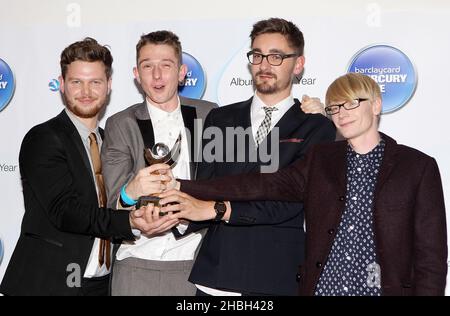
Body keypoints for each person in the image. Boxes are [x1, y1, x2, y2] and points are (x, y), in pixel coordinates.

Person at [161, 73, 448, 296]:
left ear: (375, 104)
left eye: (351, 103)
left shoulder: (417, 167)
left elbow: (431, 258)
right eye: (335, 107)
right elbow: (259, 184)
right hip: (322, 289)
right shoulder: (322, 159)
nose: (342, 113)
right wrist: (182, 185)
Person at [157, 18, 335, 296]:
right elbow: (205, 187)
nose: (264, 65)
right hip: (217, 274)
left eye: (276, 56)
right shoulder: (220, 118)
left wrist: (219, 209)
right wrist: (175, 212)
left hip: (276, 274)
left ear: (298, 64)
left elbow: (291, 202)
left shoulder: (317, 127)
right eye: (257, 55)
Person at [0, 38, 160, 296]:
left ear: (108, 86)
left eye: (95, 82)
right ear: (62, 85)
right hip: (48, 284)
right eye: (77, 82)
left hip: (101, 284)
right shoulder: (43, 138)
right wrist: (129, 220)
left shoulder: (110, 141)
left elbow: (112, 203)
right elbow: (66, 212)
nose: (86, 92)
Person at [101, 30, 218, 296]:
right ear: (136, 73)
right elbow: (112, 204)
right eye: (148, 66)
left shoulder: (211, 114)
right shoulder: (120, 123)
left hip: (198, 266)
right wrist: (131, 193)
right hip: (136, 266)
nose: (157, 75)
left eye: (166, 65)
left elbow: (247, 165)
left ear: (181, 72)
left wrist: (309, 115)